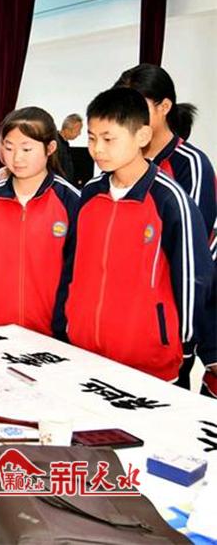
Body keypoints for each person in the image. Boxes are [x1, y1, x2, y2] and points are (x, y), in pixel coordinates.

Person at [57, 87, 213, 382]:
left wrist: (183, 344)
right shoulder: (89, 194)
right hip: (84, 352)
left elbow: (194, 279)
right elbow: (73, 265)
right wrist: (65, 323)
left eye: (108, 139)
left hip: (148, 362)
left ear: (142, 136)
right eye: (91, 138)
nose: (97, 149)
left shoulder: (169, 200)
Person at [116, 63, 217, 394]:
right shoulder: (119, 162)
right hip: (122, 312)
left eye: (138, 105)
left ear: (164, 107)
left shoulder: (190, 164)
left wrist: (185, 331)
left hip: (167, 317)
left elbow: (193, 251)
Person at [0, 107, 79, 337]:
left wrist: (63, 328)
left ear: (50, 148)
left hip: (48, 333)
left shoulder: (70, 201)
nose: (16, 158)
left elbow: (75, 273)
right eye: (8, 148)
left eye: (26, 149)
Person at [56, 113, 82, 180]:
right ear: (67, 129)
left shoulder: (65, 144)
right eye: (78, 130)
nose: (79, 134)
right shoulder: (56, 144)